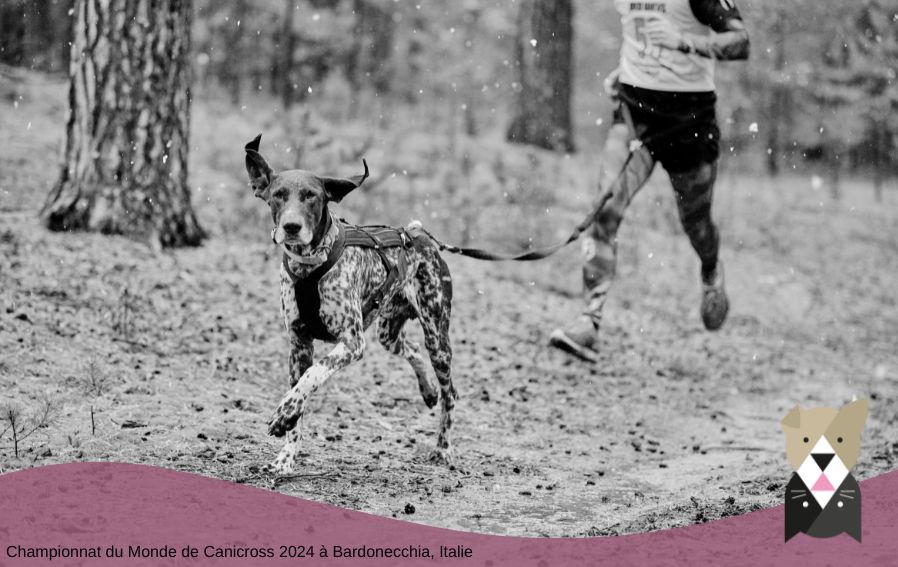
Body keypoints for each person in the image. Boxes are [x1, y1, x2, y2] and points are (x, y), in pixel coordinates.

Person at [549, 0, 750, 362]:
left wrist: (686, 43)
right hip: (635, 114)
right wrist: (624, 72)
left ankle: (710, 269)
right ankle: (588, 321)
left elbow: (740, 42)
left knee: (697, 224)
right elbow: (640, 39)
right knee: (605, 211)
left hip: (690, 122)